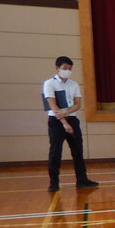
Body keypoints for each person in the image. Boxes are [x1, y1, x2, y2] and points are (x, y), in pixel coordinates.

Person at [43, 56, 98, 191]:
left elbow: (77, 104)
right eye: (64, 68)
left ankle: (82, 179)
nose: (67, 71)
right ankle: (54, 182)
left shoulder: (73, 84)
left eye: (69, 69)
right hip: (56, 121)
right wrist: (63, 121)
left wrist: (66, 114)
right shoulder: (49, 83)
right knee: (55, 152)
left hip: (72, 118)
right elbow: (52, 103)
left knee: (77, 150)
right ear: (57, 68)